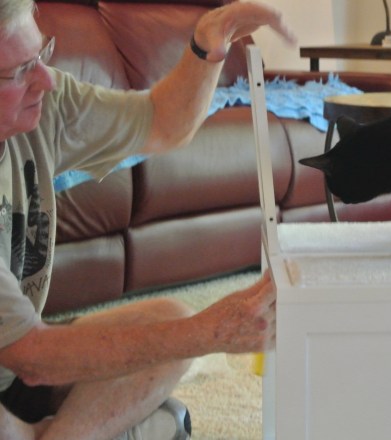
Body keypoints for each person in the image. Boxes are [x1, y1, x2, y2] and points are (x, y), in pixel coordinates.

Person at [0, 0, 296, 438]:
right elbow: (33, 356)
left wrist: (207, 46)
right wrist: (210, 332)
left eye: (41, 53)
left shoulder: (46, 100)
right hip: (22, 356)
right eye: (20, 70)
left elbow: (162, 121)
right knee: (161, 409)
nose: (45, 79)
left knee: (168, 318)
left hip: (12, 370)